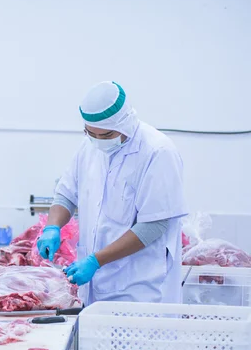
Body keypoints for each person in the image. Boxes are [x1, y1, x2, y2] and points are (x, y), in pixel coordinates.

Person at [37, 81, 187, 305]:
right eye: (90, 133)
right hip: (93, 288)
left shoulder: (158, 152)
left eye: (106, 135)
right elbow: (66, 195)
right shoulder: (89, 146)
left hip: (139, 290)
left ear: (126, 123)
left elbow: (153, 226)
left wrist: (96, 261)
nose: (98, 141)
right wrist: (52, 227)